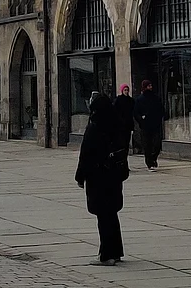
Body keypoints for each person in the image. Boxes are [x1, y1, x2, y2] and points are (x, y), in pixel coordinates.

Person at [75, 93, 125, 266]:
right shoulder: (116, 124)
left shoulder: (95, 126)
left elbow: (85, 155)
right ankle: (116, 251)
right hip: (114, 176)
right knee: (111, 215)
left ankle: (106, 255)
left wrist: (80, 176)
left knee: (103, 217)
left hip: (98, 177)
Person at [134, 79, 165, 170]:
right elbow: (136, 112)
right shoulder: (140, 99)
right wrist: (141, 120)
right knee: (147, 145)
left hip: (155, 124)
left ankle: (153, 158)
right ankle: (149, 162)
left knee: (157, 144)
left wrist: (160, 117)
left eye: (151, 85)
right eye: (148, 86)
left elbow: (161, 109)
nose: (150, 87)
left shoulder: (156, 98)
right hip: (145, 125)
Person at [113, 83, 135, 150]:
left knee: (127, 139)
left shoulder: (131, 100)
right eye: (125, 90)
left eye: (127, 90)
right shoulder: (118, 100)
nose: (126, 92)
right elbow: (115, 111)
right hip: (121, 124)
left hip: (128, 123)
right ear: (122, 91)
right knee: (121, 140)